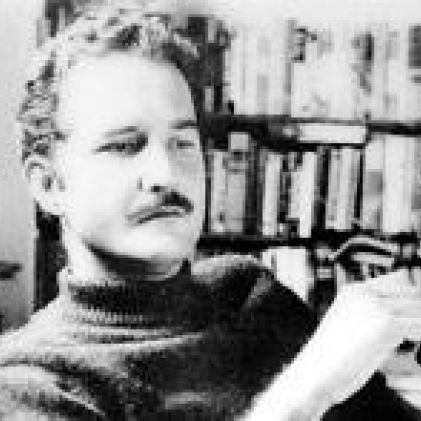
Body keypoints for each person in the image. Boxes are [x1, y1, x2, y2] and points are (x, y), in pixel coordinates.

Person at [0, 2, 420, 419]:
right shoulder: (27, 385)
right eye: (123, 146)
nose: (165, 174)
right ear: (49, 185)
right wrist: (310, 388)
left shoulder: (248, 293)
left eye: (182, 143)